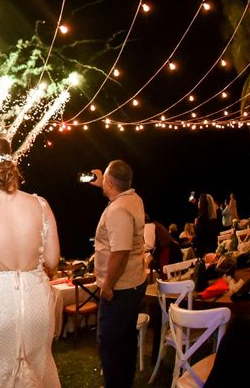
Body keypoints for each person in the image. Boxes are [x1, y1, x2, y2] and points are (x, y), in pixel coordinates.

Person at [0, 135, 61, 387]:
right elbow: (52, 259)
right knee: (39, 367)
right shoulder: (40, 205)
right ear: (11, 162)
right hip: (36, 299)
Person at [90, 160, 147, 388]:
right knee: (125, 341)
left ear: (111, 182)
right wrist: (103, 182)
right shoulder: (133, 199)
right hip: (134, 282)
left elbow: (120, 253)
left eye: (106, 178)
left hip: (120, 288)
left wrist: (107, 286)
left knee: (110, 344)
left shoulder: (118, 210)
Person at [193, 193, 221, 257]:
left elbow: (200, 238)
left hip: (205, 254)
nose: (198, 202)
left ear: (203, 203)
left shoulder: (201, 219)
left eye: (199, 200)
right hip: (213, 251)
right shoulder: (213, 219)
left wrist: (195, 226)